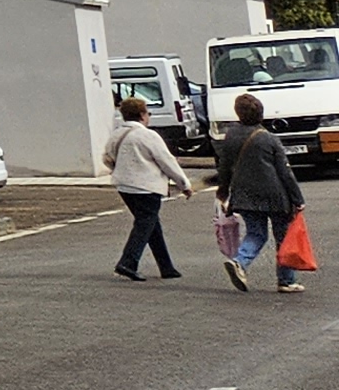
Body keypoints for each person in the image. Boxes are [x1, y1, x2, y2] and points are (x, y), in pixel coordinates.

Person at [213, 91, 312, 293]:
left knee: (256, 233)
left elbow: (224, 167)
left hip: (245, 195)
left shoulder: (230, 137)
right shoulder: (269, 139)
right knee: (283, 237)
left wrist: (223, 192)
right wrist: (297, 199)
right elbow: (285, 172)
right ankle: (286, 280)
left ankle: (240, 262)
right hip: (276, 196)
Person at [107, 97, 192, 282]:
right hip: (147, 186)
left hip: (124, 186)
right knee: (145, 224)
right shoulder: (148, 136)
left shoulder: (117, 134)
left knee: (151, 224)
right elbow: (166, 161)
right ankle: (128, 262)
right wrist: (183, 184)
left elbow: (107, 156)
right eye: (148, 113)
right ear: (142, 115)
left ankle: (166, 266)